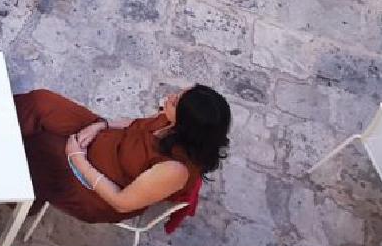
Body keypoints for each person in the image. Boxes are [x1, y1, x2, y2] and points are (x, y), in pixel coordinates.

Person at [16, 84, 231, 224]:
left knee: (36, 148)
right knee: (41, 102)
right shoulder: (172, 120)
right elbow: (135, 125)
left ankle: (19, 198)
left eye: (176, 102)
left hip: (96, 189)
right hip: (104, 140)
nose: (171, 97)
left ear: (186, 124)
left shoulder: (174, 170)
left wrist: (77, 159)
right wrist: (101, 124)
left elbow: (121, 201)